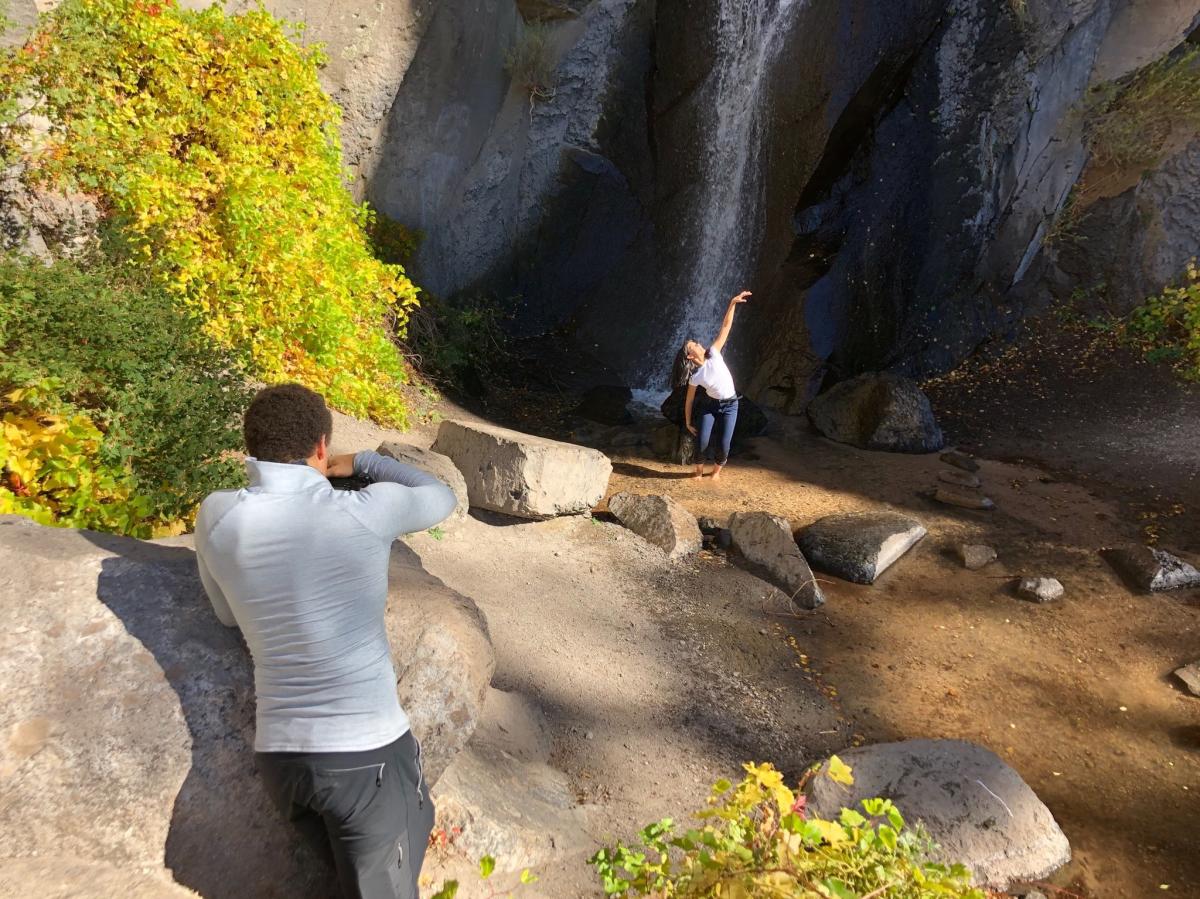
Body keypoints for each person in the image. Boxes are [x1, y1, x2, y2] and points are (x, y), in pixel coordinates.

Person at [194, 383, 457, 899]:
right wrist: (361, 460)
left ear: (252, 446)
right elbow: (440, 496)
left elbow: (226, 615)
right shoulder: (362, 509)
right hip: (366, 758)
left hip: (282, 762)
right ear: (320, 446)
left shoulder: (216, 515)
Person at [672, 290, 750, 481]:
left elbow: (725, 327)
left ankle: (715, 473)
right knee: (702, 442)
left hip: (731, 405)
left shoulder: (714, 353)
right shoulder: (696, 377)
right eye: (693, 346)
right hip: (711, 406)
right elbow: (689, 401)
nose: (699, 345)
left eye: (696, 343)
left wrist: (732, 303)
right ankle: (698, 472)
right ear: (690, 356)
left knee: (724, 445)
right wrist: (688, 422)